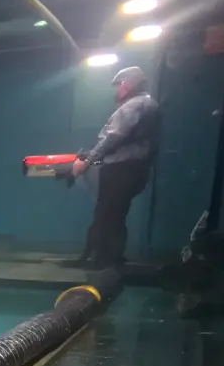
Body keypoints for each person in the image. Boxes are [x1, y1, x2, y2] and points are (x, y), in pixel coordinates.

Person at [67, 65, 162, 268]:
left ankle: (97, 260)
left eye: (119, 86)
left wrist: (88, 160)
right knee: (116, 214)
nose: (117, 91)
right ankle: (110, 258)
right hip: (136, 169)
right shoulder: (150, 104)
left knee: (105, 213)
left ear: (126, 85)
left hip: (120, 170)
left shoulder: (131, 107)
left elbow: (113, 138)